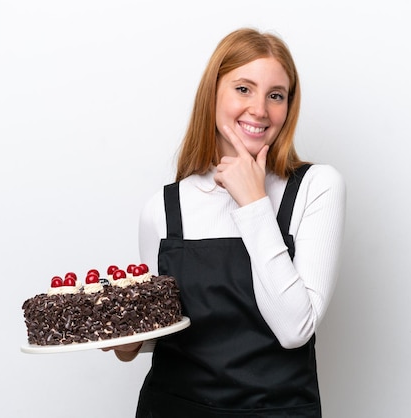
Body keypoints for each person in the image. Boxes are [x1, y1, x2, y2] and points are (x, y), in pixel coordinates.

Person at [106, 27, 346, 417]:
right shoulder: (164, 208)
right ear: (213, 94)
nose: (260, 110)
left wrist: (252, 201)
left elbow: (294, 330)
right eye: (243, 89)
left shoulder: (317, 187)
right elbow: (168, 327)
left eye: (275, 95)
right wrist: (127, 342)